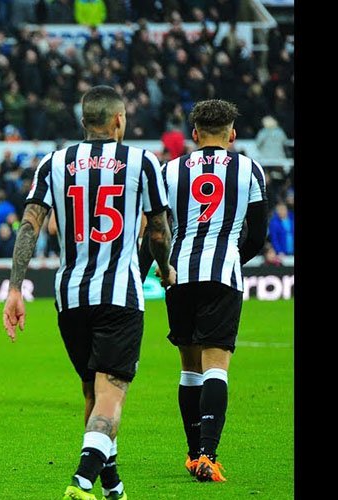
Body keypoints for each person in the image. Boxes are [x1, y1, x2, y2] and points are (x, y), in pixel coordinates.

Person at [2, 86, 174, 500]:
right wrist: (164, 266)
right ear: (118, 120)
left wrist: (14, 287)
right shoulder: (141, 162)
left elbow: (29, 226)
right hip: (119, 295)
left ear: (83, 122)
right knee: (111, 394)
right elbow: (158, 230)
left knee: (92, 393)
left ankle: (112, 484)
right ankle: (80, 482)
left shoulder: (54, 162)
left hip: (71, 297)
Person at [157, 100, 268, 482]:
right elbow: (259, 233)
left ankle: (191, 454)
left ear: (194, 134)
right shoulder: (249, 168)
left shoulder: (169, 170)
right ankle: (208, 454)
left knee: (189, 370)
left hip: (179, 274)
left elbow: (156, 229)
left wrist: (159, 266)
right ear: (232, 134)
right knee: (216, 367)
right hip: (223, 274)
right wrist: (233, 257)